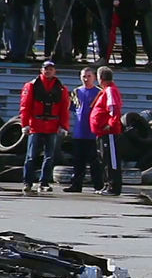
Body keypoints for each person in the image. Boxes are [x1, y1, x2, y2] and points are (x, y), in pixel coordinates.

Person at [19, 60, 70, 194]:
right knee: (31, 156)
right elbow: (25, 107)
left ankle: (44, 183)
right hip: (35, 125)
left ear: (55, 71)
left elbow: (64, 109)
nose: (48, 71)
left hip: (52, 127)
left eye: (51, 69)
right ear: (41, 70)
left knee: (49, 157)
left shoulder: (61, 88)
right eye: (46, 69)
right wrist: (25, 124)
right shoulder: (31, 86)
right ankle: (27, 182)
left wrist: (64, 126)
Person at [65, 67, 104, 193]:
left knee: (95, 161)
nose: (86, 79)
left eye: (89, 76)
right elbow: (71, 108)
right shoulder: (76, 92)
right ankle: (76, 185)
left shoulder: (100, 92)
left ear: (94, 78)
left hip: (93, 133)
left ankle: (98, 185)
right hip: (79, 132)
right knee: (78, 161)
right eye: (84, 76)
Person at [89, 66, 123, 196]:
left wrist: (110, 125)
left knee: (111, 160)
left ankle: (114, 187)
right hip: (102, 133)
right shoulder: (106, 91)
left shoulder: (110, 91)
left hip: (109, 133)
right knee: (104, 159)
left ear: (100, 78)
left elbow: (113, 108)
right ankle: (108, 184)